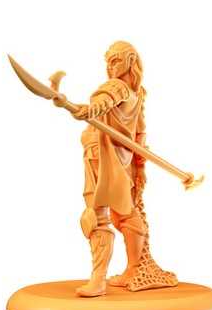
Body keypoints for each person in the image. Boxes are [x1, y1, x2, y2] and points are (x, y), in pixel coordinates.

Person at [71, 41, 176, 296]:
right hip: (119, 160)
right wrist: (139, 167)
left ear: (130, 61)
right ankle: (133, 269)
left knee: (96, 216)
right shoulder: (136, 93)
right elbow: (139, 134)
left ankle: (98, 281)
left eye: (115, 60)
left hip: (101, 157)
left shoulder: (117, 87)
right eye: (108, 61)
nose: (110, 66)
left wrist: (91, 109)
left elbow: (105, 101)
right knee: (124, 214)